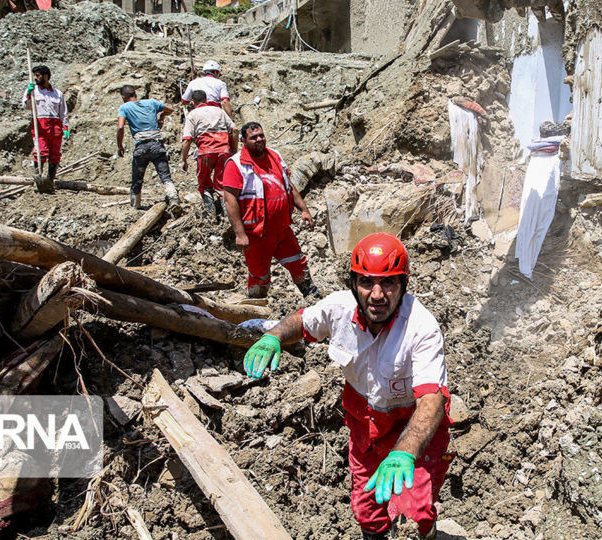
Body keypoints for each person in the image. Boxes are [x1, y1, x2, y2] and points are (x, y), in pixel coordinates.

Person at [242, 233, 453, 540]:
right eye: (367, 282)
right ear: (354, 284)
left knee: (414, 511)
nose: (377, 294)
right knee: (367, 510)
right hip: (365, 426)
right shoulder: (339, 308)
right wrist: (274, 335)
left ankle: (429, 534)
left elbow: (432, 399)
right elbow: (303, 321)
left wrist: (405, 452)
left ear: (403, 285)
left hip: (413, 427)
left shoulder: (421, 327)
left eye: (389, 283)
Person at [220, 122, 320, 299]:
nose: (259, 140)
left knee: (298, 263)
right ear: (243, 140)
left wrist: (303, 209)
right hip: (256, 235)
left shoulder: (275, 156)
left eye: (261, 135)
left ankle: (313, 297)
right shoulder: (236, 165)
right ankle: (258, 307)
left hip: (282, 230)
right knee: (260, 276)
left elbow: (289, 186)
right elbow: (230, 200)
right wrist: (239, 234)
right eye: (253, 138)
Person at [116, 85, 180, 208]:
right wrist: (161, 116)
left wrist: (120, 146)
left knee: (137, 178)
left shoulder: (124, 107)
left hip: (141, 146)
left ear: (123, 97)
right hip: (157, 144)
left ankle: (135, 205)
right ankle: (173, 199)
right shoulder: (151, 103)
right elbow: (170, 110)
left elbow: (120, 127)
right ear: (135, 94)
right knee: (165, 176)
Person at [180, 89, 237, 216]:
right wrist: (233, 149)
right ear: (206, 99)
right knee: (222, 184)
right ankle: (228, 215)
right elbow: (235, 129)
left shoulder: (192, 115)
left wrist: (183, 160)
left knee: (204, 183)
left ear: (193, 102)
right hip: (224, 151)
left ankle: (210, 214)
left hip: (205, 152)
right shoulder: (219, 111)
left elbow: (187, 140)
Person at [22, 64, 69, 191]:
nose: (35, 78)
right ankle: (39, 178)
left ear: (46, 76)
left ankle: (50, 179)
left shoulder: (57, 94)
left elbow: (63, 112)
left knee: (54, 155)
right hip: (40, 128)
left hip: (55, 129)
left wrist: (66, 127)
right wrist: (28, 95)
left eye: (38, 75)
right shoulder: (33, 91)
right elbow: (26, 107)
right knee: (40, 153)